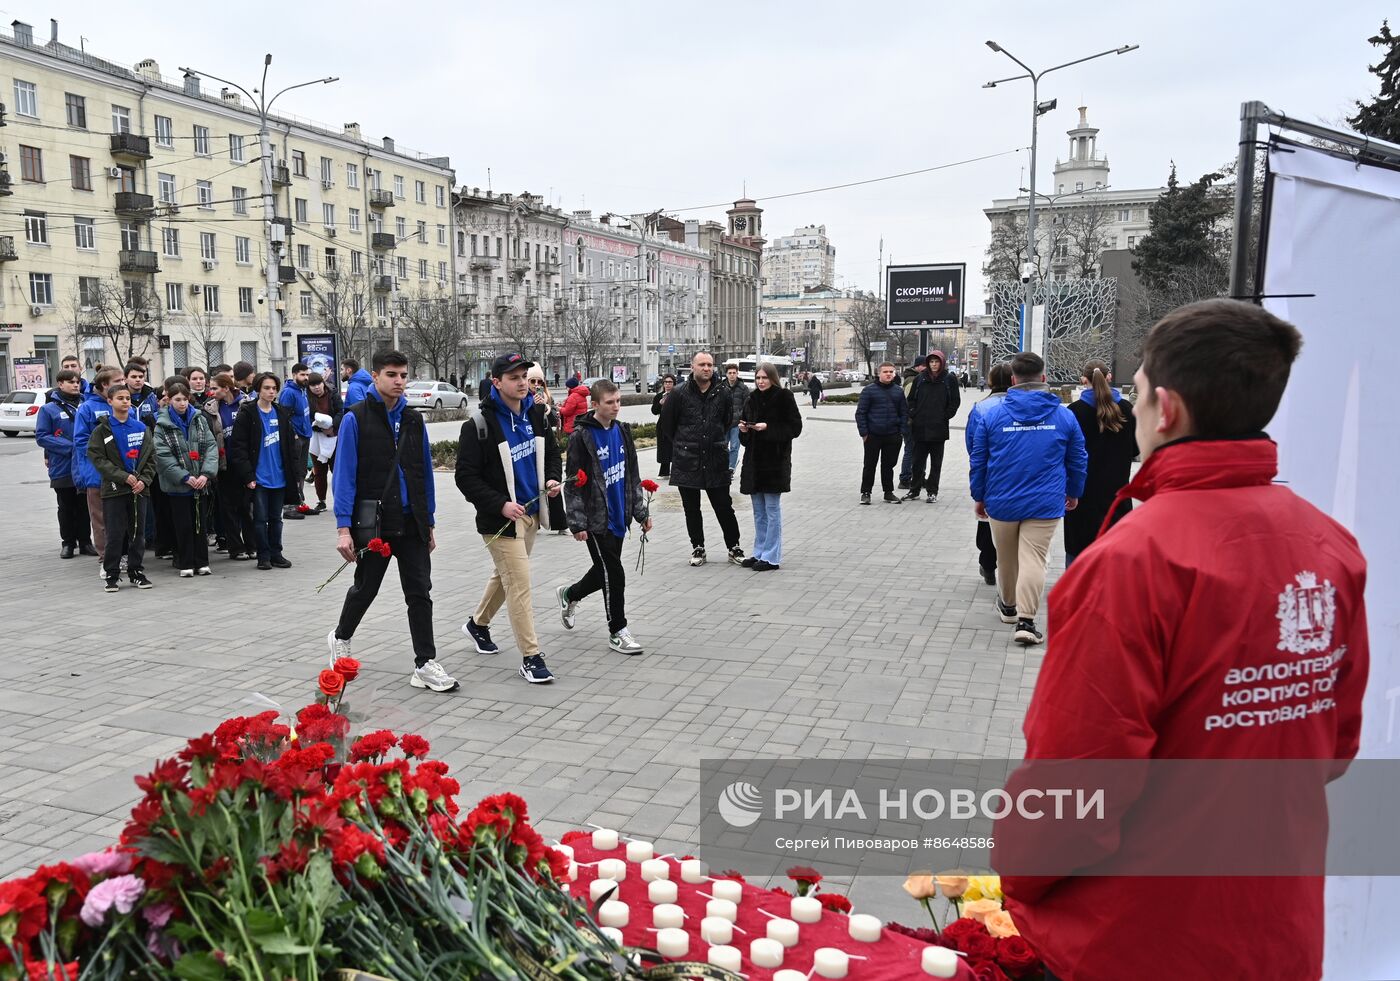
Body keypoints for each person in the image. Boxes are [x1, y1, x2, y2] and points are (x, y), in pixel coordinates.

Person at [999, 300, 1369, 981]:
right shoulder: (1329, 546)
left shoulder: (1132, 561)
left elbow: (1076, 786)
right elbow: (1335, 746)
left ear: (1164, 409)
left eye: (1137, 394)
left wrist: (1014, 873)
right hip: (1275, 927)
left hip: (1137, 938)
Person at [329, 350, 456, 693]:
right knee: (366, 587)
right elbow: (344, 476)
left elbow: (424, 472)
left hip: (411, 520)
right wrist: (344, 528)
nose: (399, 381)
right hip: (376, 524)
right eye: (392, 374)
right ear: (375, 376)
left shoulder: (414, 420)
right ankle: (341, 636)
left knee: (420, 592)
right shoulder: (356, 418)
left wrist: (428, 520)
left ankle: (425, 663)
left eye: (403, 375)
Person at [455, 353, 563, 684]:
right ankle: (531, 657)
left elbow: (553, 454)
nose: (521, 383)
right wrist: (500, 504)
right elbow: (465, 477)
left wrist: (551, 479)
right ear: (497, 381)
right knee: (520, 584)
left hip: (531, 514)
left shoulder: (536, 416)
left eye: (525, 376)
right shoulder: (480, 425)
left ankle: (477, 624)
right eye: (513, 377)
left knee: (505, 578)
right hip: (500, 521)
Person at [969, 351, 1086, 646]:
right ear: (1044, 378)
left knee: (1006, 557)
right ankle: (1027, 620)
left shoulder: (991, 414)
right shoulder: (1064, 415)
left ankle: (1008, 607)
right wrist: (1074, 492)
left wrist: (979, 495)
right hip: (1045, 501)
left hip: (1001, 499)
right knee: (1034, 558)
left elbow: (979, 460)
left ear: (1012, 380)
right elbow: (1077, 459)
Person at [557, 379, 651, 654]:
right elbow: (573, 482)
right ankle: (617, 630)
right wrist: (576, 522)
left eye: (618, 401)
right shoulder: (581, 438)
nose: (616, 407)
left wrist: (640, 511)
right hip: (595, 518)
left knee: (604, 572)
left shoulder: (622, 431)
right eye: (609, 402)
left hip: (619, 514)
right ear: (594, 404)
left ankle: (570, 594)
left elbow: (631, 474)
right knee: (614, 574)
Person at [659, 351, 744, 567]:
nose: (706, 368)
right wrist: (686, 443)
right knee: (691, 508)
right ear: (692, 367)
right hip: (687, 459)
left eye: (710, 364)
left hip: (715, 459)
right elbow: (667, 426)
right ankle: (698, 547)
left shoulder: (723, 392)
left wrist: (713, 441)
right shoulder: (678, 393)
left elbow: (726, 422)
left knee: (724, 505)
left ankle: (733, 546)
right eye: (702, 364)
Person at [1063, 359, 1138, 566]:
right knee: (1115, 548)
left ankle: (1076, 592)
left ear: (1083, 380)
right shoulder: (1126, 408)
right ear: (1110, 377)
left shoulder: (1074, 411)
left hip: (1081, 493)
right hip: (1117, 493)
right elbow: (1135, 449)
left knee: (1077, 549)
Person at [86, 383, 156, 592]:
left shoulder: (141, 428)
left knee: (137, 533)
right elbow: (98, 458)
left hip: (138, 490)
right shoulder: (102, 430)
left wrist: (144, 480)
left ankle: (136, 571)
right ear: (110, 401)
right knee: (115, 534)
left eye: (127, 398)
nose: (125, 401)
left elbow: (151, 457)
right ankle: (112, 574)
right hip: (115, 490)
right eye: (120, 398)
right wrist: (123, 477)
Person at [228, 372, 298, 571]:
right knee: (260, 519)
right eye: (267, 388)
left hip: (280, 476)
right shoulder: (247, 413)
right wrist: (248, 475)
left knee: (277, 518)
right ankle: (263, 555)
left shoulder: (282, 412)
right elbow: (238, 447)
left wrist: (293, 472)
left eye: (274, 388)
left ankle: (277, 553)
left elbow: (291, 447)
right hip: (258, 478)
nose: (271, 392)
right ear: (258, 389)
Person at [738, 363, 802, 571]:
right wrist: (745, 430)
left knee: (772, 510)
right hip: (754, 464)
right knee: (758, 511)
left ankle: (772, 556)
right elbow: (745, 439)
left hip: (775, 463)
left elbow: (795, 427)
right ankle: (759, 551)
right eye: (758, 378)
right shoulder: (752, 398)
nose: (761, 381)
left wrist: (768, 428)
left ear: (773, 378)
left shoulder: (784, 397)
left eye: (764, 378)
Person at [153, 381, 219, 578]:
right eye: (177, 399)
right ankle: (186, 562)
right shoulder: (162, 424)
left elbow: (211, 447)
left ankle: (202, 561)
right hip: (178, 486)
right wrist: (184, 477)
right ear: (169, 400)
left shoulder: (199, 419)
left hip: (200, 482)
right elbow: (162, 455)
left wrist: (205, 474)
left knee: (201, 524)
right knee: (183, 525)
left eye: (184, 399)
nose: (182, 403)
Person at [35, 369, 94, 559]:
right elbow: (42, 436)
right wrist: (72, 447)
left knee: (84, 504)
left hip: (85, 464)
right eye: (70, 382)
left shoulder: (86, 404)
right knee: (66, 505)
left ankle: (85, 542)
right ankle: (68, 542)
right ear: (60, 384)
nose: (76, 385)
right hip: (63, 465)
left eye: (77, 381)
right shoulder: (48, 409)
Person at [964, 363, 1012, 585]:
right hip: (1016, 472)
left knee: (986, 520)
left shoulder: (981, 407)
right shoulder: (1018, 406)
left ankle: (987, 564)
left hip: (990, 473)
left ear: (990, 381)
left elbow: (972, 443)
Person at [73, 367, 121, 567]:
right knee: (100, 518)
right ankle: (106, 558)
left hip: (121, 472)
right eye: (118, 380)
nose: (123, 383)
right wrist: (104, 457)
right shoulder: (87, 408)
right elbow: (81, 440)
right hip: (97, 472)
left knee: (119, 517)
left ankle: (121, 554)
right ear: (104, 385)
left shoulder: (121, 403)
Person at [204, 373, 253, 560]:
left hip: (245, 463)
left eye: (215, 388)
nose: (211, 391)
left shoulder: (246, 403)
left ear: (226, 388)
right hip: (224, 464)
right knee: (228, 508)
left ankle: (252, 545)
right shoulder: (211, 408)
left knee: (247, 507)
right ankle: (236, 547)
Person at [904, 350, 961, 503]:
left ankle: (932, 491)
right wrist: (913, 413)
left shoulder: (949, 379)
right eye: (931, 362)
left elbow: (955, 401)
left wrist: (945, 415)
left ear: (942, 363)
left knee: (936, 463)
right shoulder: (920, 378)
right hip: (920, 426)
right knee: (917, 462)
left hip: (938, 428)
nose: (934, 365)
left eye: (936, 362)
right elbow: (911, 399)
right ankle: (914, 490)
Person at [855, 362, 909, 505]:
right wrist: (864, 433)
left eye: (891, 371)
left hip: (893, 435)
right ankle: (866, 493)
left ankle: (888, 492)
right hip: (873, 435)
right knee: (869, 465)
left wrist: (901, 432)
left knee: (888, 465)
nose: (888, 374)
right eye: (885, 372)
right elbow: (861, 413)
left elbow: (904, 413)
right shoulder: (869, 391)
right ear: (879, 373)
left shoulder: (898, 391)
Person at [278, 362, 314, 518]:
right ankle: (290, 506)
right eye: (302, 375)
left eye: (307, 375)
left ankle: (300, 502)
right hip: (296, 438)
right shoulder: (288, 393)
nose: (306, 378)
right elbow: (284, 417)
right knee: (294, 471)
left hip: (305, 435)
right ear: (294, 375)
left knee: (301, 471)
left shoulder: (303, 390)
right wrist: (294, 436)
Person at [306, 371, 344, 514]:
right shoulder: (308, 398)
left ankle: (340, 501)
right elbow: (307, 417)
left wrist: (332, 426)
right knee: (319, 472)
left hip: (334, 437)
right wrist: (319, 428)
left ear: (323, 383)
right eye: (313, 385)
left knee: (337, 471)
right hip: (317, 438)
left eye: (318, 384)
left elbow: (341, 412)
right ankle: (321, 501)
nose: (316, 388)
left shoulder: (333, 394)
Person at [897, 358, 927, 488]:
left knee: (919, 450)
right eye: (925, 365)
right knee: (910, 449)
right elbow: (909, 402)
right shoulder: (912, 380)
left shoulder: (917, 378)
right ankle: (905, 479)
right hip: (910, 422)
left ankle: (918, 477)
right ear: (918, 366)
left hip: (916, 421)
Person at [722, 364, 750, 477]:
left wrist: (740, 417)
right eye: (730, 373)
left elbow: (747, 406)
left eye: (734, 373)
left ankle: (731, 468)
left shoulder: (743, 388)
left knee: (734, 446)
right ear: (726, 374)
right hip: (724, 423)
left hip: (736, 424)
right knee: (722, 446)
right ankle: (723, 467)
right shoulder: (721, 387)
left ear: (737, 373)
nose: (732, 375)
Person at [650, 374, 676, 477]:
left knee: (675, 448)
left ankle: (675, 472)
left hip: (675, 425)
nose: (668, 384)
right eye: (666, 382)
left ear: (674, 384)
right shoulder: (659, 396)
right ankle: (664, 471)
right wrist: (660, 403)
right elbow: (654, 411)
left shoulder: (677, 395)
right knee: (664, 448)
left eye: (670, 382)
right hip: (662, 425)